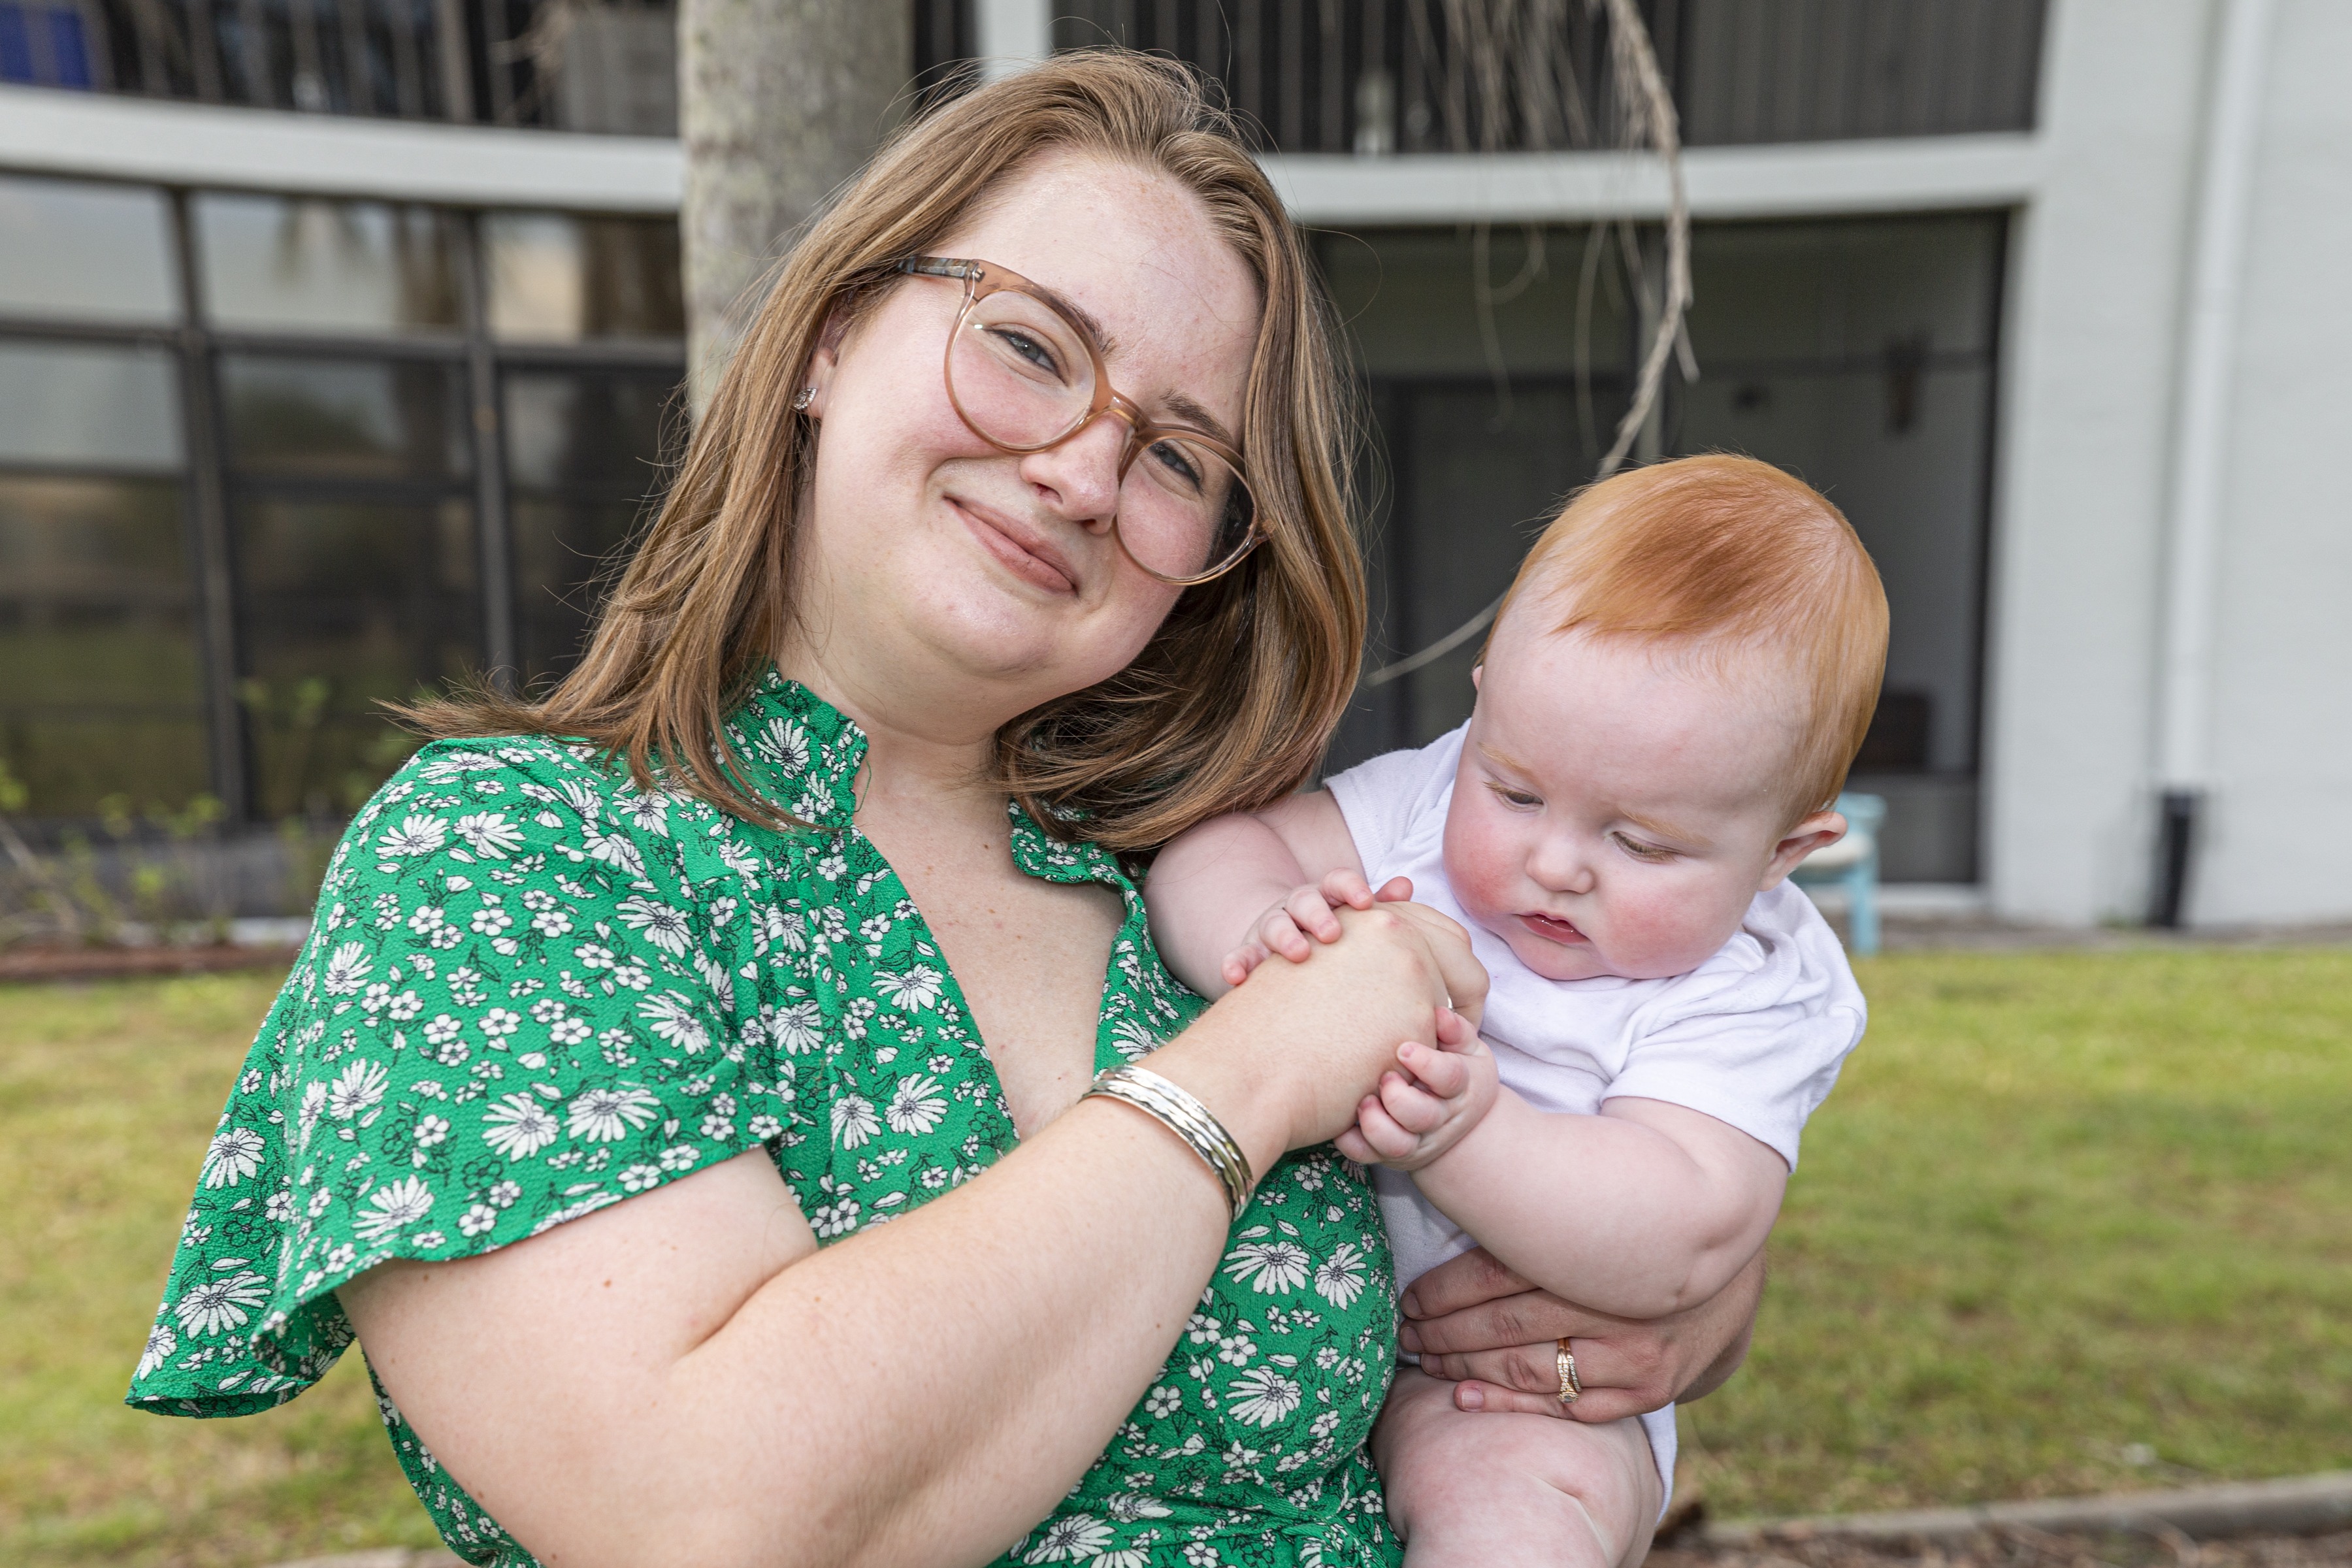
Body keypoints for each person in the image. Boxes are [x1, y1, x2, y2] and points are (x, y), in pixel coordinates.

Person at [128, 56, 1763, 1568]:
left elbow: (1630, 1088)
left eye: (1179, 458)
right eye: (1031, 347)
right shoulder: (514, 860)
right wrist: (1257, 1067)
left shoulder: (1221, 872)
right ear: (834, 335)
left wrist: (1678, 1299)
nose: (1080, 473)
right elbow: (705, 1512)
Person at [1146, 455, 1887, 1565]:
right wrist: (1261, 925)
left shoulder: (1752, 987)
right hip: (1257, 1352)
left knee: (1519, 1517)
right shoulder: (1429, 796)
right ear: (1484, 701)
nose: (1554, 863)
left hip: (1499, 1392)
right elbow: (1214, 847)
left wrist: (1468, 1134)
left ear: (1786, 852)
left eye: (1641, 842)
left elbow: (1682, 1232)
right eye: (1517, 791)